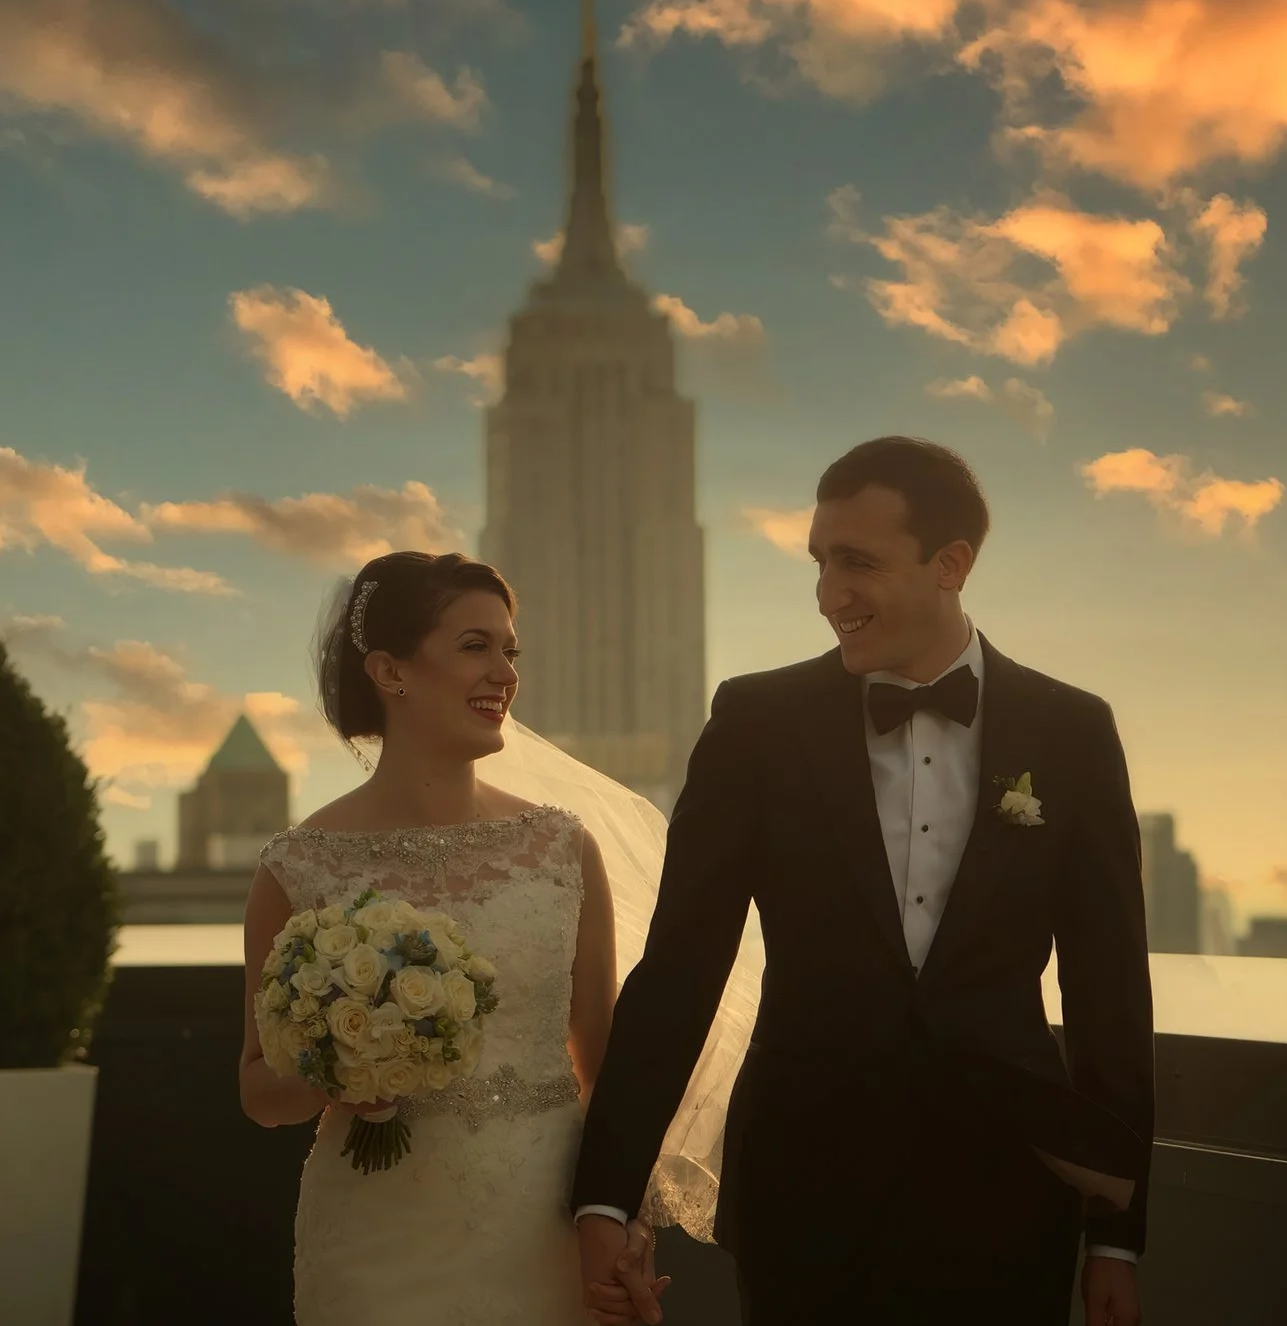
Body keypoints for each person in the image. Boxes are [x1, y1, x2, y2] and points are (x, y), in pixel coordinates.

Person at [574, 438, 1156, 1326]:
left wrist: (1117, 1234)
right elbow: (681, 967)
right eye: (820, 562)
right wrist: (604, 1196)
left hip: (1009, 1193)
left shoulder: (1073, 730)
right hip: (802, 1194)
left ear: (950, 564)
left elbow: (1110, 988)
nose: (828, 593)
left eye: (858, 562)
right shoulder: (755, 721)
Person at [237, 550, 761, 1323]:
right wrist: (342, 1069)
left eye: (510, 650)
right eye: (475, 646)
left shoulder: (559, 848)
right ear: (390, 670)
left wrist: (620, 1217)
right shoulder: (297, 865)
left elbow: (603, 1061)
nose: (505, 673)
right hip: (372, 1238)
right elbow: (258, 1090)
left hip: (540, 1224)